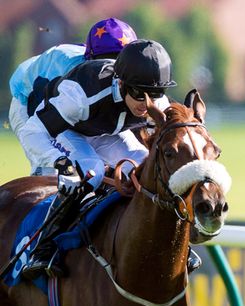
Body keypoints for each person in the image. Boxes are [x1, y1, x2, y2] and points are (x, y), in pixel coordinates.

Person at [17, 39, 178, 279]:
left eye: (155, 94)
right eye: (138, 93)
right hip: (64, 128)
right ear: (121, 83)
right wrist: (62, 164)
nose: (147, 104)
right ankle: (42, 247)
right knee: (91, 171)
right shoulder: (82, 95)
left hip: (106, 130)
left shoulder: (154, 103)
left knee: (146, 163)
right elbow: (32, 132)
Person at [9, 18, 138, 175]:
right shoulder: (74, 73)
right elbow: (37, 126)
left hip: (64, 100)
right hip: (28, 100)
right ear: (89, 58)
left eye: (119, 62)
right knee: (55, 172)